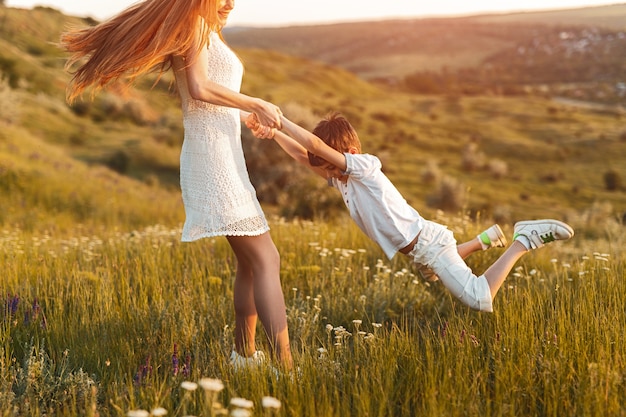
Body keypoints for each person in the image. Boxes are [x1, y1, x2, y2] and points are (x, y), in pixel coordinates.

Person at [60, 0, 293, 369]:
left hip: (223, 154)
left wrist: (247, 114)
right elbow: (199, 88)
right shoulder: (194, 27)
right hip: (214, 159)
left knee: (250, 264)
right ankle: (286, 370)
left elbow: (208, 93)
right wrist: (256, 102)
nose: (230, 3)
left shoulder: (204, 31)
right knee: (267, 259)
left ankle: (243, 355)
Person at [246, 112, 574, 312]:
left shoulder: (365, 168)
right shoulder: (343, 181)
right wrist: (274, 134)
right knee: (432, 272)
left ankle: (524, 239)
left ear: (350, 153)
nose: (328, 174)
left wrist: (281, 119)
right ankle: (481, 241)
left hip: (428, 244)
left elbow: (316, 149)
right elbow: (307, 157)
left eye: (332, 167)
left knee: (479, 297)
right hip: (420, 251)